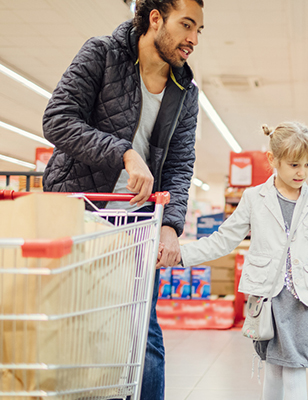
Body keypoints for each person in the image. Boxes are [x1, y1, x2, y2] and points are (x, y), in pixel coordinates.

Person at [41, 0, 204, 398]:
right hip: (78, 213)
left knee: (142, 334)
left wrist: (170, 225)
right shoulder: (102, 53)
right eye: (186, 25)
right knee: (73, 327)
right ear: (154, 19)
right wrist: (124, 153)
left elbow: (181, 165)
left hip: (138, 224)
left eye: (199, 30)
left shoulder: (186, 93)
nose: (193, 39)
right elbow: (57, 118)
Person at [178, 122, 308, 400]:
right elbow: (224, 239)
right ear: (273, 160)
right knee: (273, 370)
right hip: (269, 299)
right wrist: (181, 255)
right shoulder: (254, 198)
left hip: (306, 301)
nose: (302, 172)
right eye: (294, 165)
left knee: (294, 370)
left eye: (307, 165)